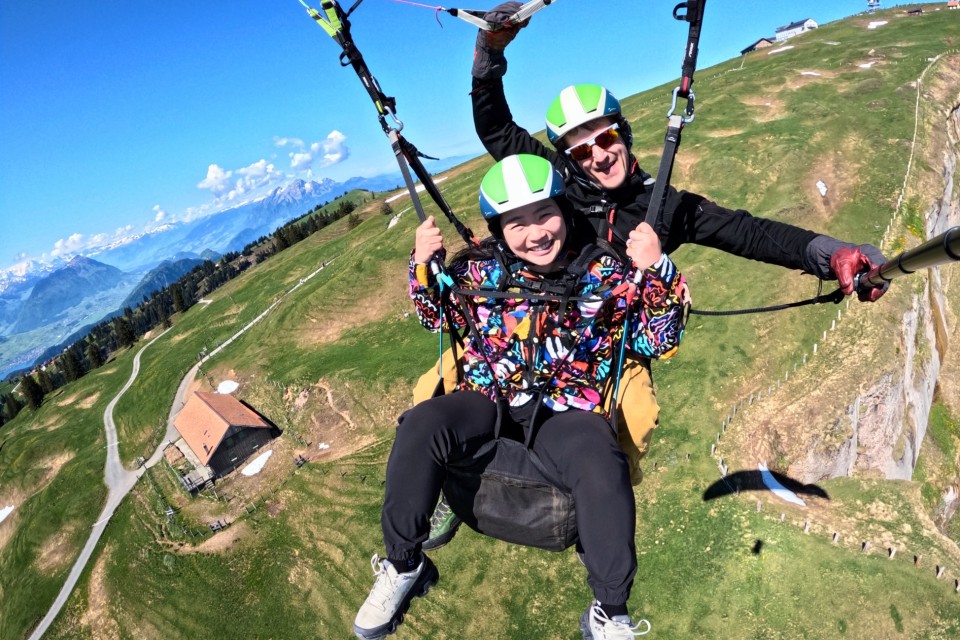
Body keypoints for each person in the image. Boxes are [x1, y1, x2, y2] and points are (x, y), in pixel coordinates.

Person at [353, 154, 690, 639]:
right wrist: (422, 264)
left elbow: (658, 339)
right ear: (498, 229)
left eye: (544, 215)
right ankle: (404, 564)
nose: (535, 234)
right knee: (422, 423)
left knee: (600, 461)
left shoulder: (606, 274)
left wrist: (657, 269)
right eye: (516, 223)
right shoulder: (479, 271)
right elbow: (436, 316)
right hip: (489, 394)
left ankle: (610, 611)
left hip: (568, 409)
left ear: (565, 211)